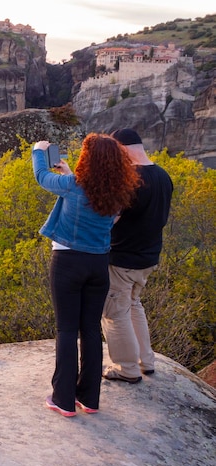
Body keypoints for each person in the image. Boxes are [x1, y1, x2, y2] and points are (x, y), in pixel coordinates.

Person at [32, 134, 140, 417]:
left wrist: (38, 150)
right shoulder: (118, 193)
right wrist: (70, 174)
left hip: (68, 262)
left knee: (66, 330)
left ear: (87, 159)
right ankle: (89, 398)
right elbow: (91, 196)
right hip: (98, 266)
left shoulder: (74, 186)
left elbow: (42, 177)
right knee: (90, 330)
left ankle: (63, 399)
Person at [101, 129, 174, 384]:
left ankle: (127, 368)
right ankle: (146, 361)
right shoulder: (163, 176)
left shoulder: (131, 181)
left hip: (123, 259)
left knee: (113, 313)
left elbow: (109, 220)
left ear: (121, 149)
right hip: (148, 258)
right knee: (133, 305)